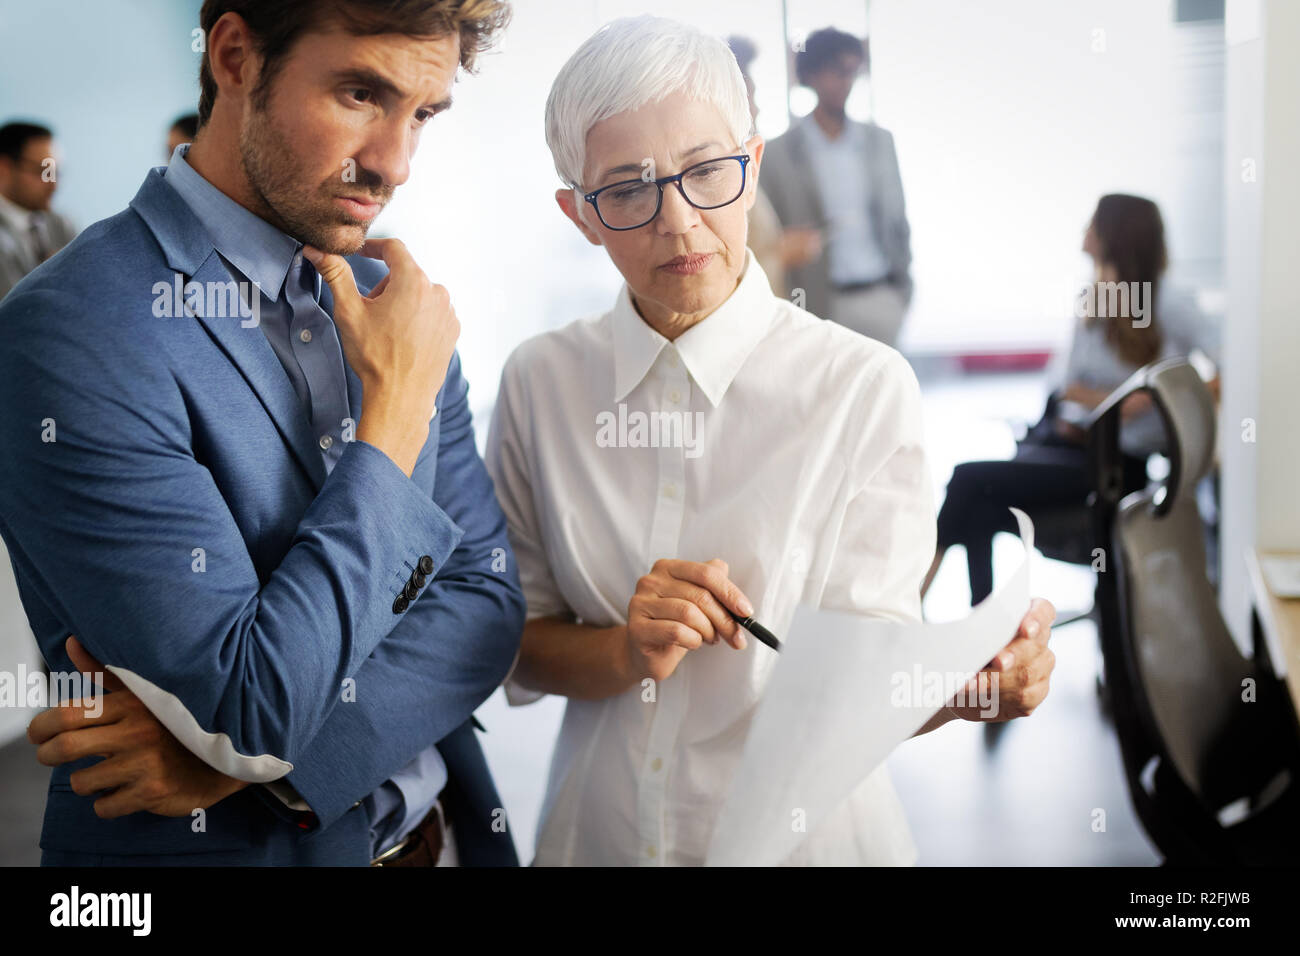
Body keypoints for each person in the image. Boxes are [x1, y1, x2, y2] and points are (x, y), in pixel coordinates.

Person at [486, 15, 1056, 867]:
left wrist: (962, 691)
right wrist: (624, 648)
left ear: (750, 168)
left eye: (706, 172)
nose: (678, 222)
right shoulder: (538, 383)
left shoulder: (861, 390)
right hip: (597, 836)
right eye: (628, 190)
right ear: (580, 214)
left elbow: (862, 683)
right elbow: (513, 641)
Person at [1, 0, 523, 867]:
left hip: (443, 839)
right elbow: (250, 708)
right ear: (236, 57)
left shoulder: (394, 303)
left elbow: (485, 606)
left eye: (422, 114)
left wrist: (264, 769)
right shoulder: (70, 330)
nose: (395, 163)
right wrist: (391, 424)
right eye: (361, 93)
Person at [923, 194, 1222, 605]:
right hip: (1071, 448)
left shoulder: (1168, 301)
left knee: (967, 478)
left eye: (1092, 223)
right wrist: (1116, 400)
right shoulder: (1095, 298)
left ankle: (912, 608)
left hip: (1116, 469)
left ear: (1116, 234)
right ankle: (983, 639)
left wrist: (1161, 398)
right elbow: (1068, 389)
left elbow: (1227, 367)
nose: (1084, 231)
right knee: (978, 504)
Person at [761, 27, 912, 346]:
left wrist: (902, 292)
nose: (845, 82)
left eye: (851, 72)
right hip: (821, 305)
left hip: (882, 297)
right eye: (837, 71)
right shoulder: (779, 154)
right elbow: (772, 238)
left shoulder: (880, 142)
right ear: (812, 74)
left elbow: (899, 222)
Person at [724, 35, 820, 299]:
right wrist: (784, 254)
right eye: (750, 96)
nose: (757, 108)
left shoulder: (745, 165)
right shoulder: (726, 177)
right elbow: (724, 277)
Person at [0, 121, 77, 300]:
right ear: (3, 167)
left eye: (56, 172)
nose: (53, 184)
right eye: (42, 171)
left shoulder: (62, 225)